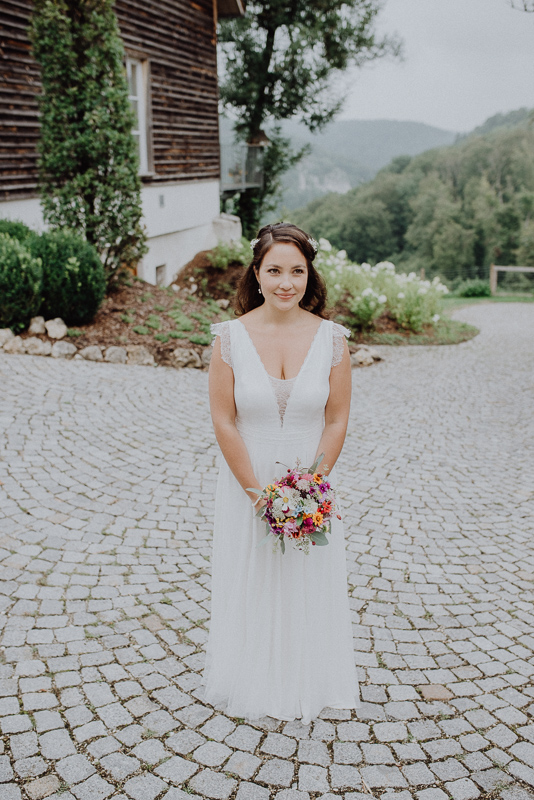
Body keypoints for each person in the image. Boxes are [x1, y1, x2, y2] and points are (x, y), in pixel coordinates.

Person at [204, 222, 359, 723]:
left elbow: (336, 417)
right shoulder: (229, 338)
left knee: (306, 576)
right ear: (257, 273)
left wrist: (310, 486)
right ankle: (251, 675)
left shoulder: (333, 339)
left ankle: (309, 676)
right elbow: (223, 419)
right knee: (251, 576)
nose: (286, 282)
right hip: (247, 478)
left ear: (309, 275)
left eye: (297, 270)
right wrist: (258, 495)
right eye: (275, 270)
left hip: (309, 481)